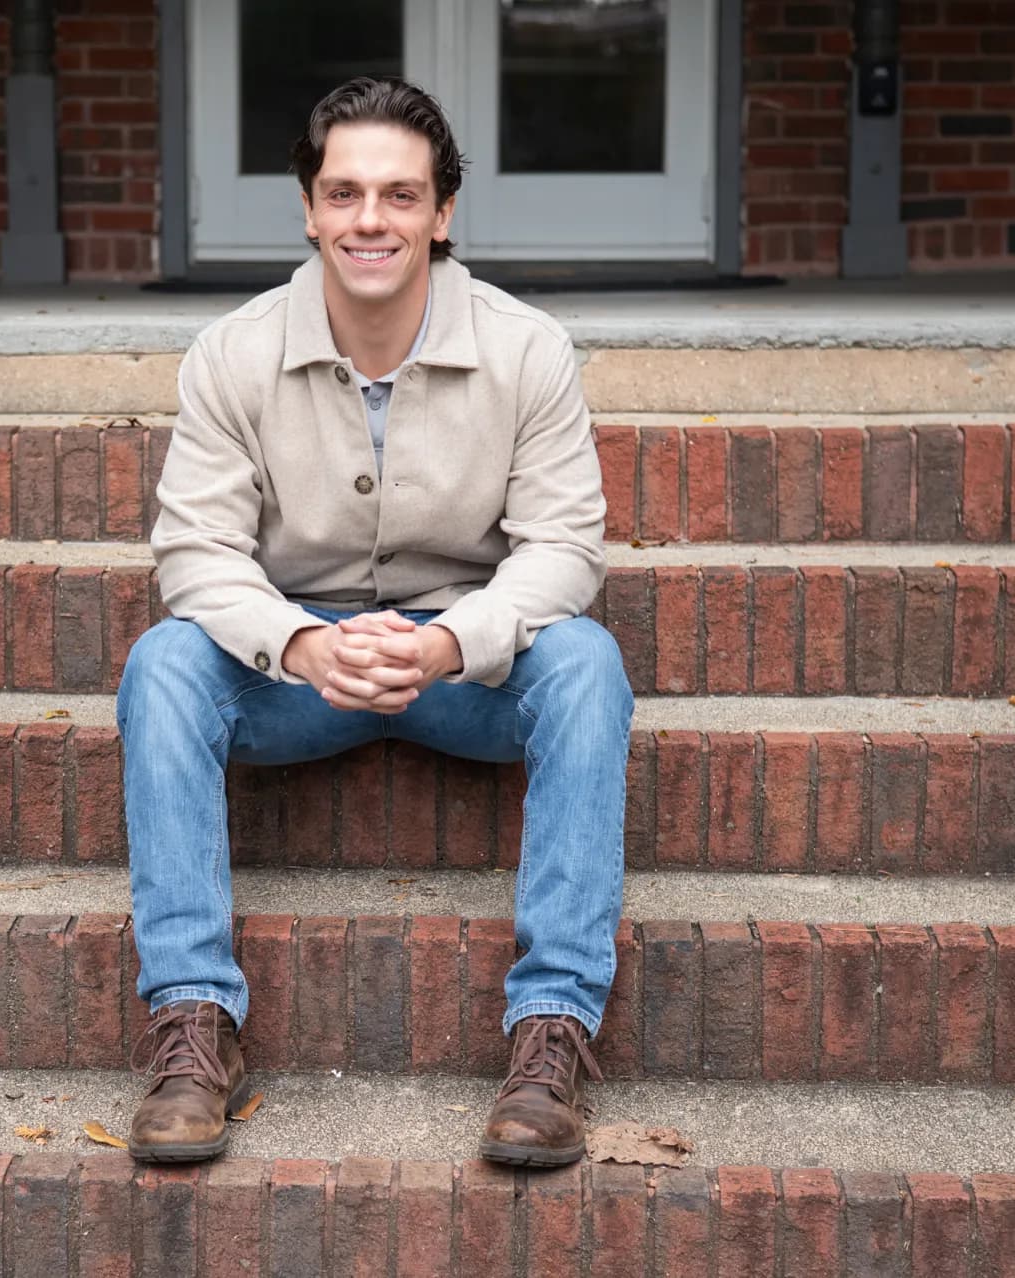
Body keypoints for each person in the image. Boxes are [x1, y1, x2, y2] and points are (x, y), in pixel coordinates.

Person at [116, 76, 631, 1167]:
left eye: (400, 196)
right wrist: (298, 643)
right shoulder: (233, 354)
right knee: (164, 665)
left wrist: (452, 641)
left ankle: (553, 1033)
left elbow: (564, 552)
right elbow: (195, 552)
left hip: (462, 664)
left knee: (587, 664)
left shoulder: (528, 349)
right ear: (307, 207)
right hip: (294, 667)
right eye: (344, 193)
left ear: (443, 213)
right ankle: (193, 1027)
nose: (369, 221)